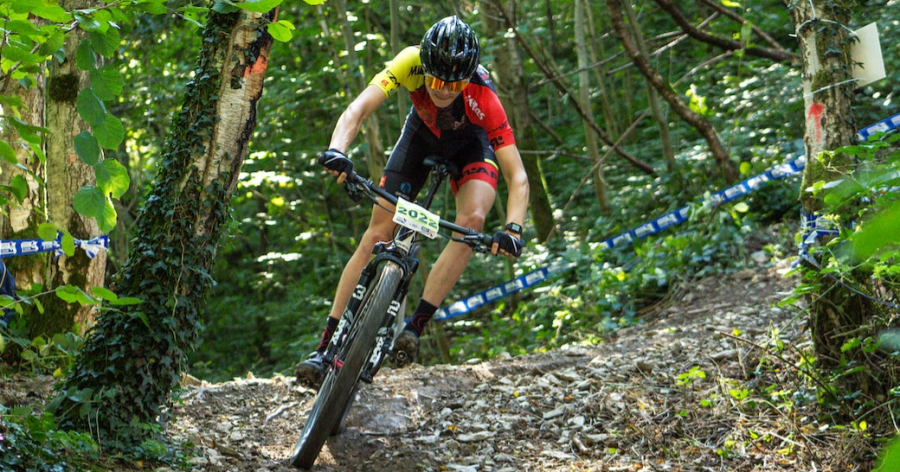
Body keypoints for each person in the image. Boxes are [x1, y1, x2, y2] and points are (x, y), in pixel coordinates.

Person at [296, 15, 529, 387]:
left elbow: (517, 175)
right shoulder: (409, 60)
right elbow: (358, 109)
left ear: (467, 78)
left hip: (472, 148)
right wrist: (337, 150)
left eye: (454, 84)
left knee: (473, 220)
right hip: (421, 137)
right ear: (425, 67)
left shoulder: (484, 96)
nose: (443, 91)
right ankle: (325, 345)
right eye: (436, 81)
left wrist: (513, 229)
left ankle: (415, 326)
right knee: (377, 234)